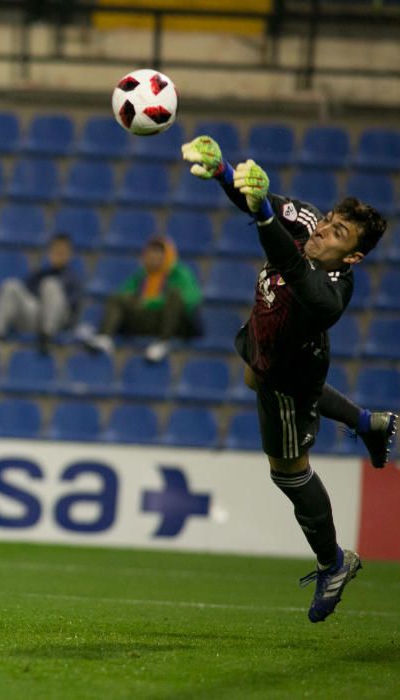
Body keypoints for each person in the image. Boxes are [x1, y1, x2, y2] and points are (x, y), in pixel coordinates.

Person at [181, 134, 395, 623]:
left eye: (338, 234)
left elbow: (292, 264)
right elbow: (259, 200)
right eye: (328, 222)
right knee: (253, 377)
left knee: (287, 472)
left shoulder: (331, 293)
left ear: (353, 257)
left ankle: (333, 562)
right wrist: (223, 172)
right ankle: (368, 422)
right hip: (265, 342)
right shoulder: (305, 222)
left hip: (287, 371)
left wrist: (262, 217)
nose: (322, 232)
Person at [0, 233, 83, 354]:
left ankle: (47, 336)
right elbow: (26, 293)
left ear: (69, 254)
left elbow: (71, 308)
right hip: (35, 317)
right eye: (55, 251)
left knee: (51, 285)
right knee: (11, 285)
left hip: (57, 322)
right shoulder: (41, 274)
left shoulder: (73, 278)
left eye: (62, 252)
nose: (58, 255)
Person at [84, 236, 203, 362]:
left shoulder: (180, 273)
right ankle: (105, 337)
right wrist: (139, 302)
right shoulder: (141, 275)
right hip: (145, 319)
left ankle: (163, 343)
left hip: (169, 322)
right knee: (118, 297)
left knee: (174, 295)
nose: (154, 257)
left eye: (159, 254)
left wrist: (152, 303)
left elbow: (191, 299)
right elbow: (125, 293)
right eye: (151, 253)